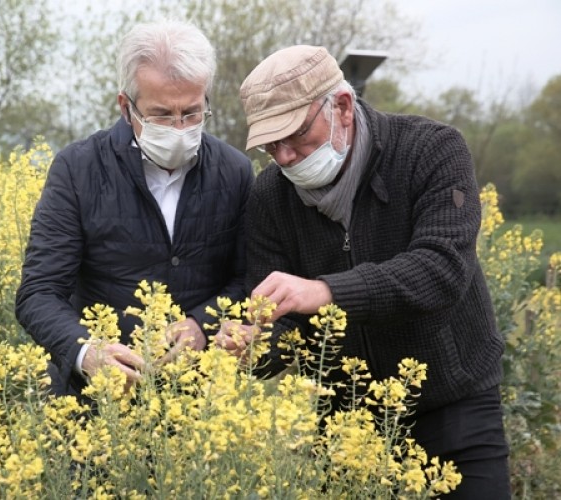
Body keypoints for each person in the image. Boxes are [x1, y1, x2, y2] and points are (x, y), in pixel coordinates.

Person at [217, 45, 510, 498]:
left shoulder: (431, 150)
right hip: (347, 417)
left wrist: (326, 291)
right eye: (271, 145)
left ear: (343, 107)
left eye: (296, 135)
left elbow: (442, 268)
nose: (287, 156)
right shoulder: (270, 197)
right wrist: (255, 346)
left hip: (453, 404)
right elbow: (284, 315)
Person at [15, 20, 253, 401]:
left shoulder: (235, 171)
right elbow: (39, 292)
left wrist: (202, 324)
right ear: (126, 106)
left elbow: (246, 280)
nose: (179, 129)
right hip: (96, 404)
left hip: (201, 405)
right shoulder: (79, 169)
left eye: (192, 113)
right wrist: (86, 353)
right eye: (161, 115)